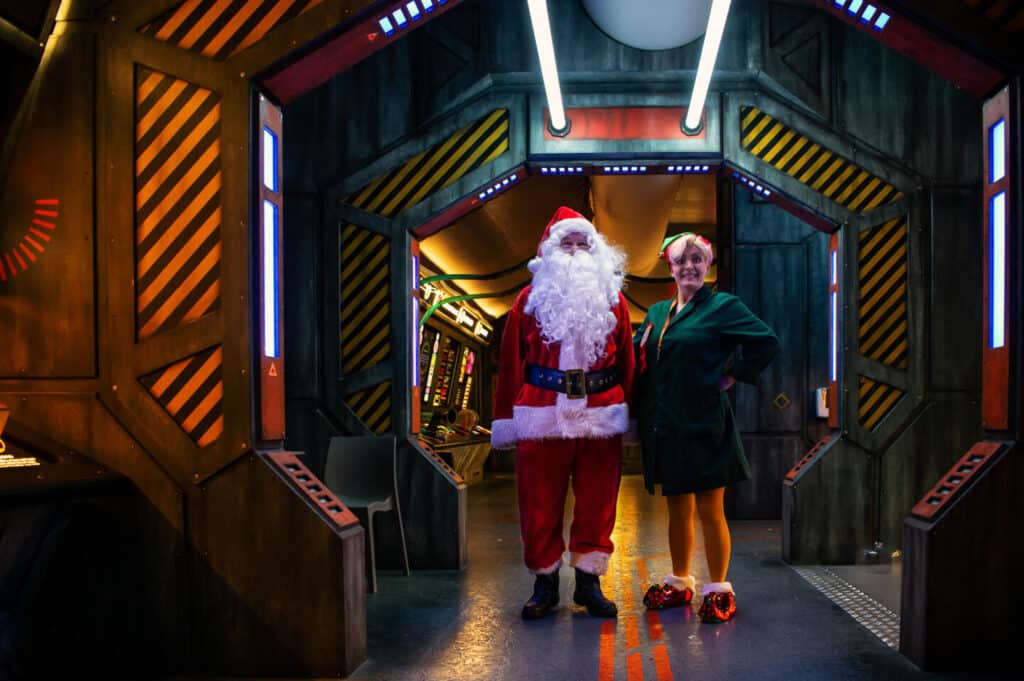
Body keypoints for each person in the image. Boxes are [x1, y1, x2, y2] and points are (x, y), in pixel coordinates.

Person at [492, 206, 635, 620]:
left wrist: (631, 415)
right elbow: (510, 360)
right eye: (567, 244)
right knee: (537, 502)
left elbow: (627, 360)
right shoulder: (528, 300)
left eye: (582, 244)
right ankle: (545, 582)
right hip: (541, 413)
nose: (575, 252)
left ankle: (589, 582)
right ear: (550, 252)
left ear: (596, 253)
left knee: (599, 501)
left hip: (601, 413)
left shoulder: (615, 301)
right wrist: (506, 419)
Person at [633, 232, 779, 623]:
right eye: (682, 260)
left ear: (708, 265)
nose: (690, 267)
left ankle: (717, 589)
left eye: (698, 259)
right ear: (671, 267)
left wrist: (732, 374)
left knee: (711, 511)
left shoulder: (723, 306)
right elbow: (642, 363)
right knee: (677, 510)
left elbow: (766, 341)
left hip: (706, 424)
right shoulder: (657, 313)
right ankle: (680, 581)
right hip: (666, 426)